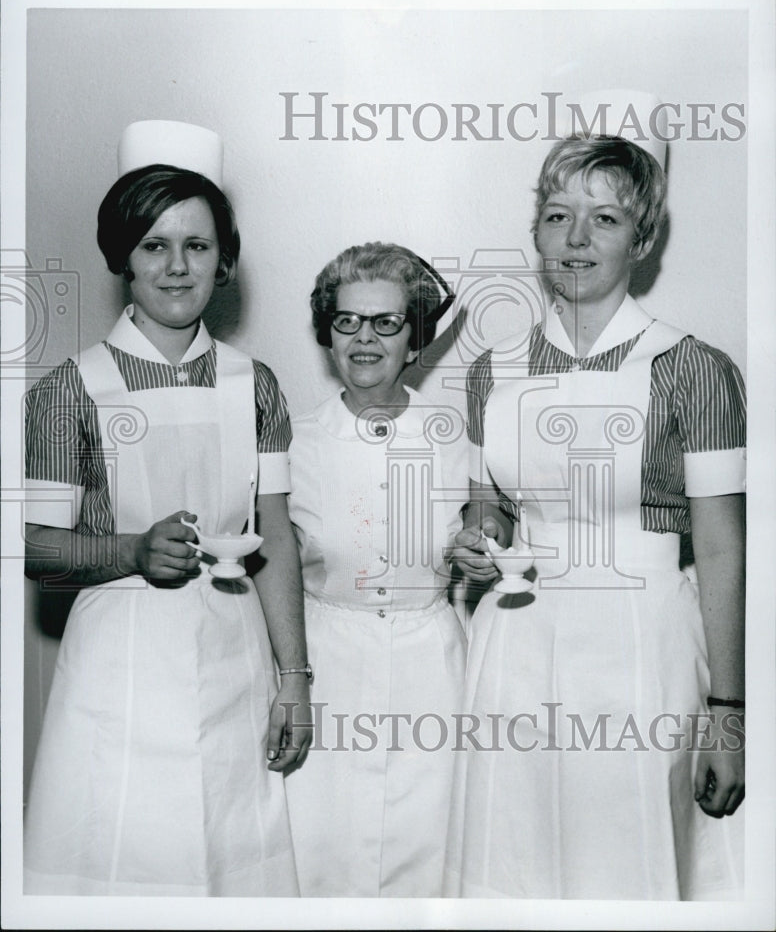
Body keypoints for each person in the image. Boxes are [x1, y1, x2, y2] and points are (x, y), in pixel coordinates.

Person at [446, 124, 746, 899]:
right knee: (512, 864)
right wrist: (478, 539)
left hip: (642, 647)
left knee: (627, 863)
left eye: (605, 218)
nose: (576, 239)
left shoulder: (695, 369)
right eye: (557, 214)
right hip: (515, 640)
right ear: (537, 231)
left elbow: (719, 549)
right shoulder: (491, 369)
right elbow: (493, 507)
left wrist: (728, 713)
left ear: (641, 239)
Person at [23, 121, 311, 896]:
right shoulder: (67, 390)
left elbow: (276, 536)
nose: (177, 266)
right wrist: (131, 551)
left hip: (233, 657)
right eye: (154, 245)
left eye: (197, 244)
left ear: (226, 259)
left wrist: (294, 678)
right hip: (118, 675)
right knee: (125, 869)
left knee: (230, 866)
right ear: (123, 257)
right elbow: (38, 549)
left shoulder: (256, 383)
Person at [284, 241, 467, 896]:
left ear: (414, 337)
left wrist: (486, 534)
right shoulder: (290, 445)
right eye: (347, 321)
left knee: (432, 860)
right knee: (321, 859)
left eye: (386, 322)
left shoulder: (456, 440)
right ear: (327, 333)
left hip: (434, 675)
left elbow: (491, 522)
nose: (365, 338)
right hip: (327, 670)